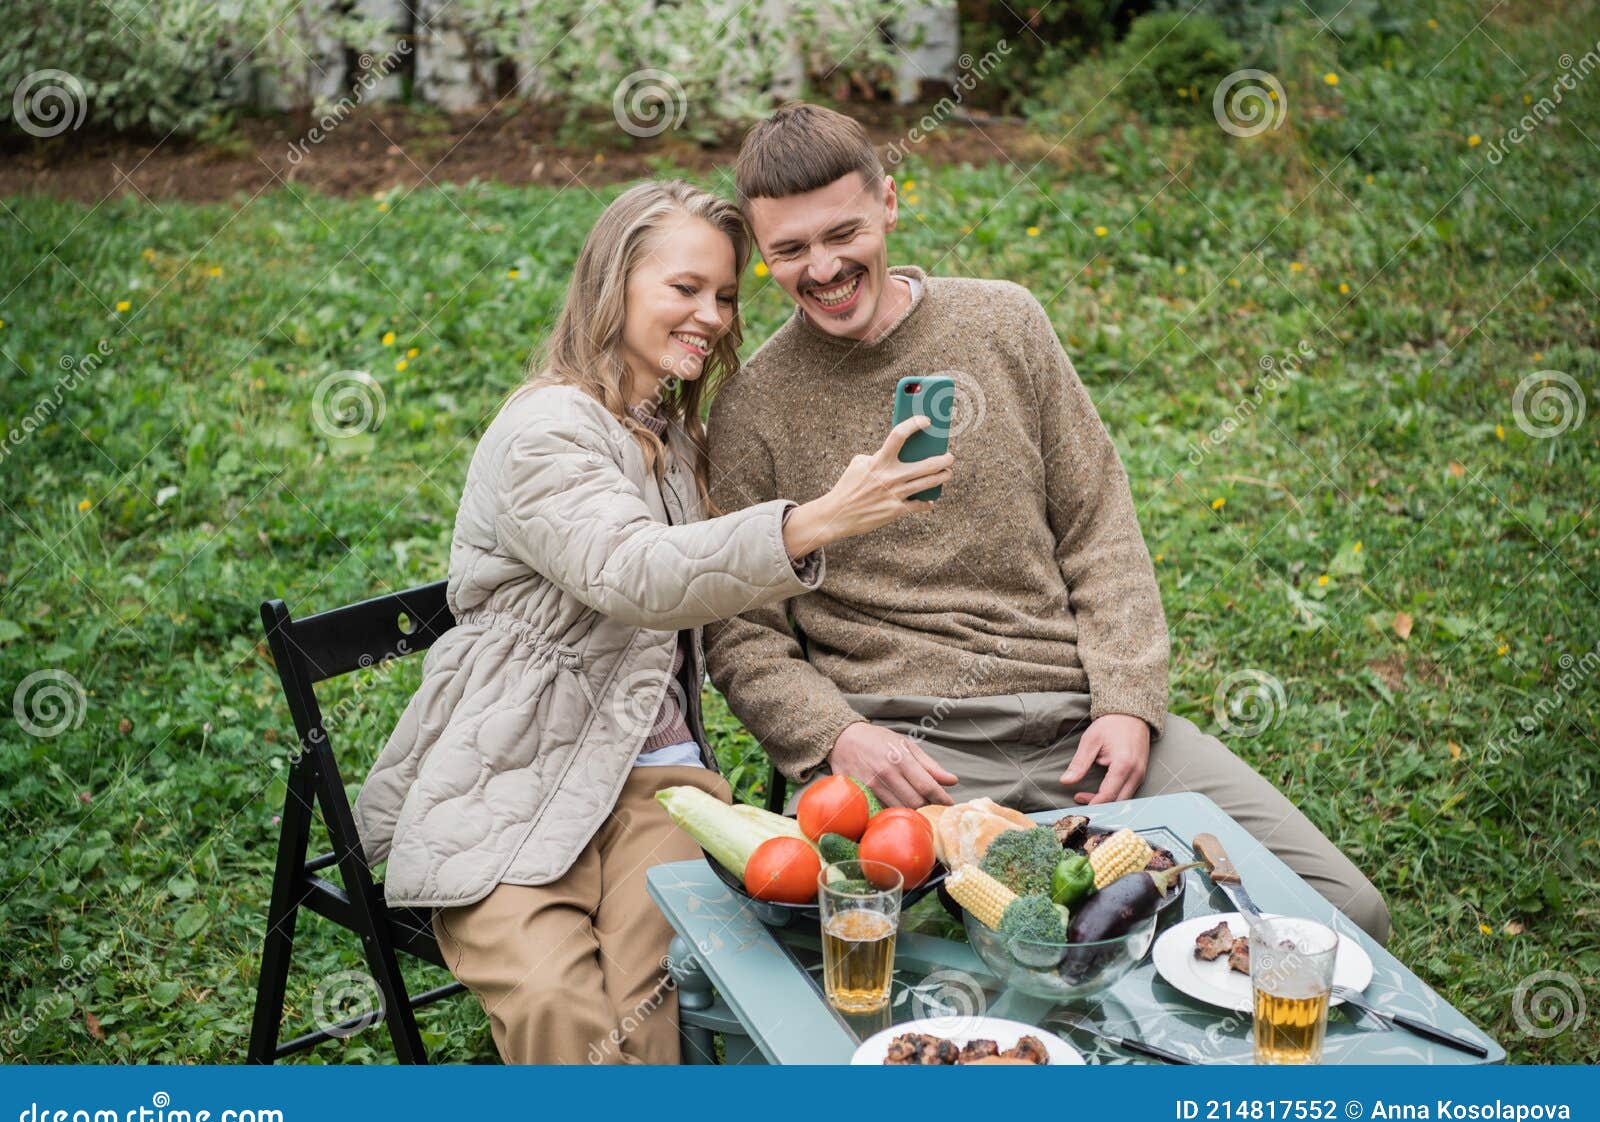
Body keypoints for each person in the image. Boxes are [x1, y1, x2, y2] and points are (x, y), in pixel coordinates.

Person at [703, 104, 1391, 944]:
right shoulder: (751, 406)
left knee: (1345, 915)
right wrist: (838, 736)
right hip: (916, 753)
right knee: (1047, 957)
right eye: (790, 250)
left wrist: (1130, 702)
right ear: (762, 253)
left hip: (1080, 719)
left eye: (842, 231)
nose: (824, 267)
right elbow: (741, 633)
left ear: (891, 201)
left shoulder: (1005, 323)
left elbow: (1099, 520)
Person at [353, 178, 953, 1064]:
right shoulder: (546, 430)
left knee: (660, 987)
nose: (710, 315)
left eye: (722, 295)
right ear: (614, 284)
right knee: (559, 1002)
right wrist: (815, 518)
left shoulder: (675, 438)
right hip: (514, 773)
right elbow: (631, 572)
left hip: (658, 781)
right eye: (684, 288)